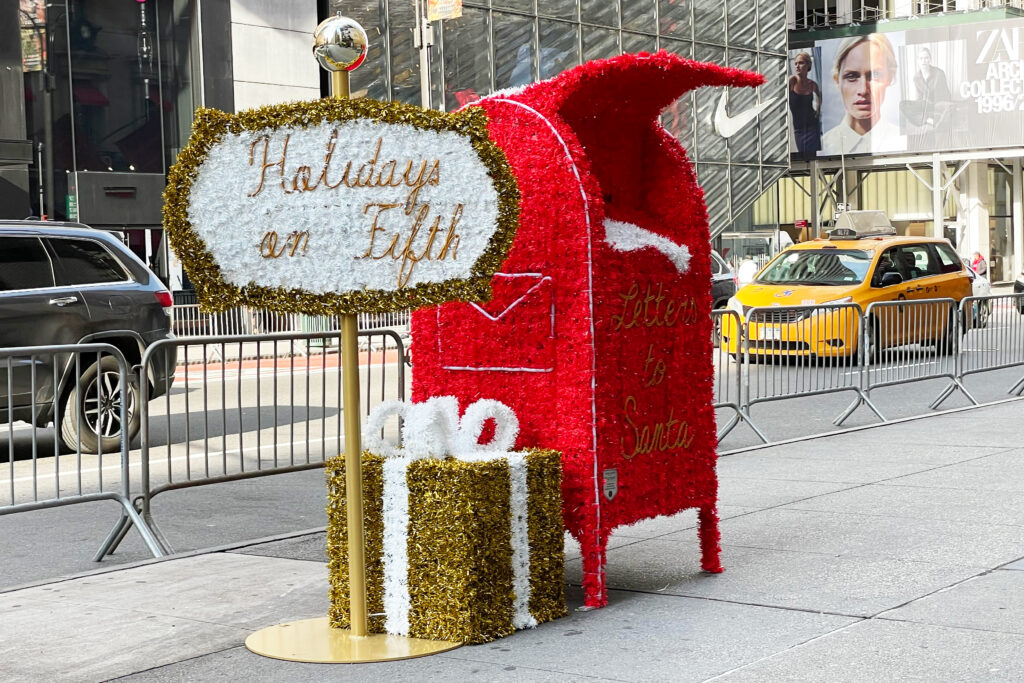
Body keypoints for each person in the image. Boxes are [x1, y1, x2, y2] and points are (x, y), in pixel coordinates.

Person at [821, 34, 906, 156]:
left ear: (890, 77)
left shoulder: (902, 142)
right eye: (851, 76)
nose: (863, 90)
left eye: (874, 75)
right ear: (837, 80)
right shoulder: (824, 146)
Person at [901, 46, 953, 131]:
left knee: (950, 108)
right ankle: (929, 120)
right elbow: (919, 98)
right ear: (918, 61)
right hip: (927, 105)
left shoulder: (939, 73)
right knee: (903, 104)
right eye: (921, 58)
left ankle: (936, 118)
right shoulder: (916, 77)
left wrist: (936, 108)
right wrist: (920, 107)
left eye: (926, 58)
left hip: (940, 103)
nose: (923, 61)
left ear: (930, 60)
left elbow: (945, 94)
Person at [788, 52, 822, 158]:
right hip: (799, 129)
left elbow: (820, 96)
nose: (797, 66)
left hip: (812, 127)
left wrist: (818, 110)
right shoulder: (792, 81)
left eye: (801, 63)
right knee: (803, 156)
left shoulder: (812, 84)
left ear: (808, 65)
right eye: (796, 63)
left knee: (814, 156)